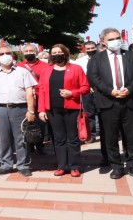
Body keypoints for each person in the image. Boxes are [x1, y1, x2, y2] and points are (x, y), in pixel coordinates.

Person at [86, 28, 133, 181]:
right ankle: (117, 166)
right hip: (108, 102)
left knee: (132, 136)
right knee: (110, 137)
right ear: (103, 42)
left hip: (130, 101)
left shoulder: (132, 56)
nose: (116, 40)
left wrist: (129, 89)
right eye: (112, 38)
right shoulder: (96, 59)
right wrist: (110, 91)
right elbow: (93, 78)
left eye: (118, 37)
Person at [37, 44, 90, 177]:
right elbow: (42, 90)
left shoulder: (76, 68)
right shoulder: (46, 70)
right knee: (59, 138)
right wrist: (41, 110)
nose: (56, 55)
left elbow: (85, 87)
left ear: (65, 53)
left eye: (59, 52)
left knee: (72, 138)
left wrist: (72, 93)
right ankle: (62, 165)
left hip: (71, 108)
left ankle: (74, 166)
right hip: (53, 110)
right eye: (53, 52)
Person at [0, 47, 38, 177]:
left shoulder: (22, 72)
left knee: (21, 139)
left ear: (13, 55)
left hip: (20, 108)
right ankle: (6, 165)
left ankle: (23, 165)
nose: (5, 55)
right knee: (4, 139)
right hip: (1, 109)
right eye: (1, 54)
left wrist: (31, 110)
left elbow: (29, 92)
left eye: (8, 53)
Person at [17, 44, 49, 154]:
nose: (29, 52)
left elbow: (46, 81)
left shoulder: (45, 65)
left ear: (35, 52)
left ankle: (40, 145)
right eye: (26, 50)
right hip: (25, 98)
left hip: (40, 97)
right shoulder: (18, 65)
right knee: (27, 122)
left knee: (40, 122)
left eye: (31, 50)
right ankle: (29, 145)